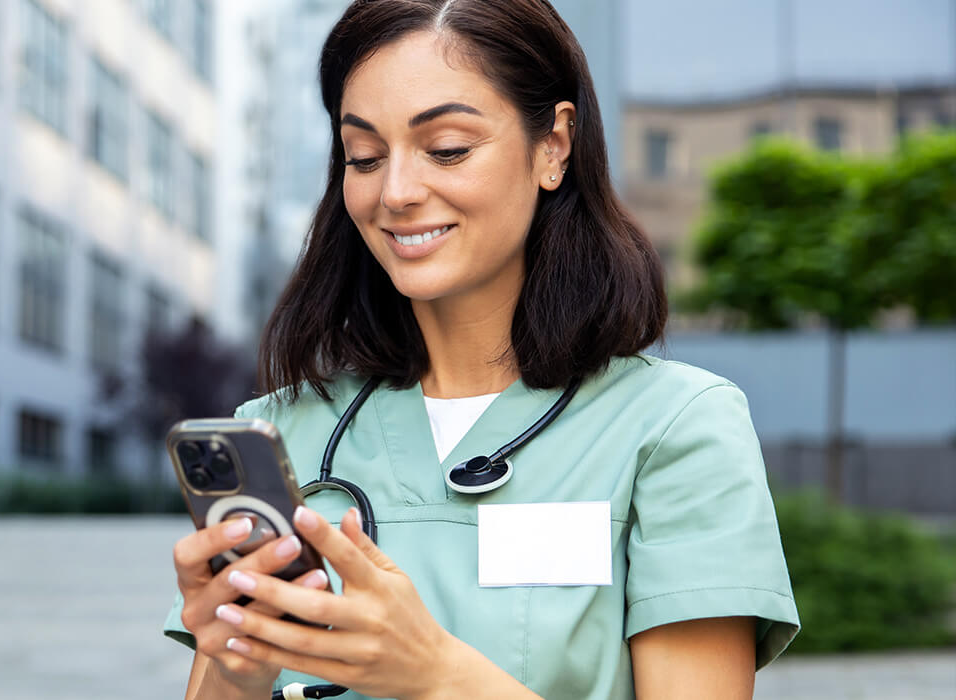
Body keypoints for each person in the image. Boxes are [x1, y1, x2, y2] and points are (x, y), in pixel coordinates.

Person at [165, 1, 799, 698]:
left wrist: (438, 676)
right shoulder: (281, 431)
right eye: (365, 157)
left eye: (447, 149)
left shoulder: (676, 427)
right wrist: (236, 666)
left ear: (553, 146)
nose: (396, 192)